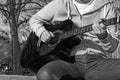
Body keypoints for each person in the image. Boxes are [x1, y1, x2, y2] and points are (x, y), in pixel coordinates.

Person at [29, 0, 120, 80]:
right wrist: (42, 32)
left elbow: (112, 48)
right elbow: (34, 20)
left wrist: (104, 37)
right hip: (69, 62)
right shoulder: (61, 4)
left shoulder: (106, 7)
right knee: (45, 74)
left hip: (98, 63)